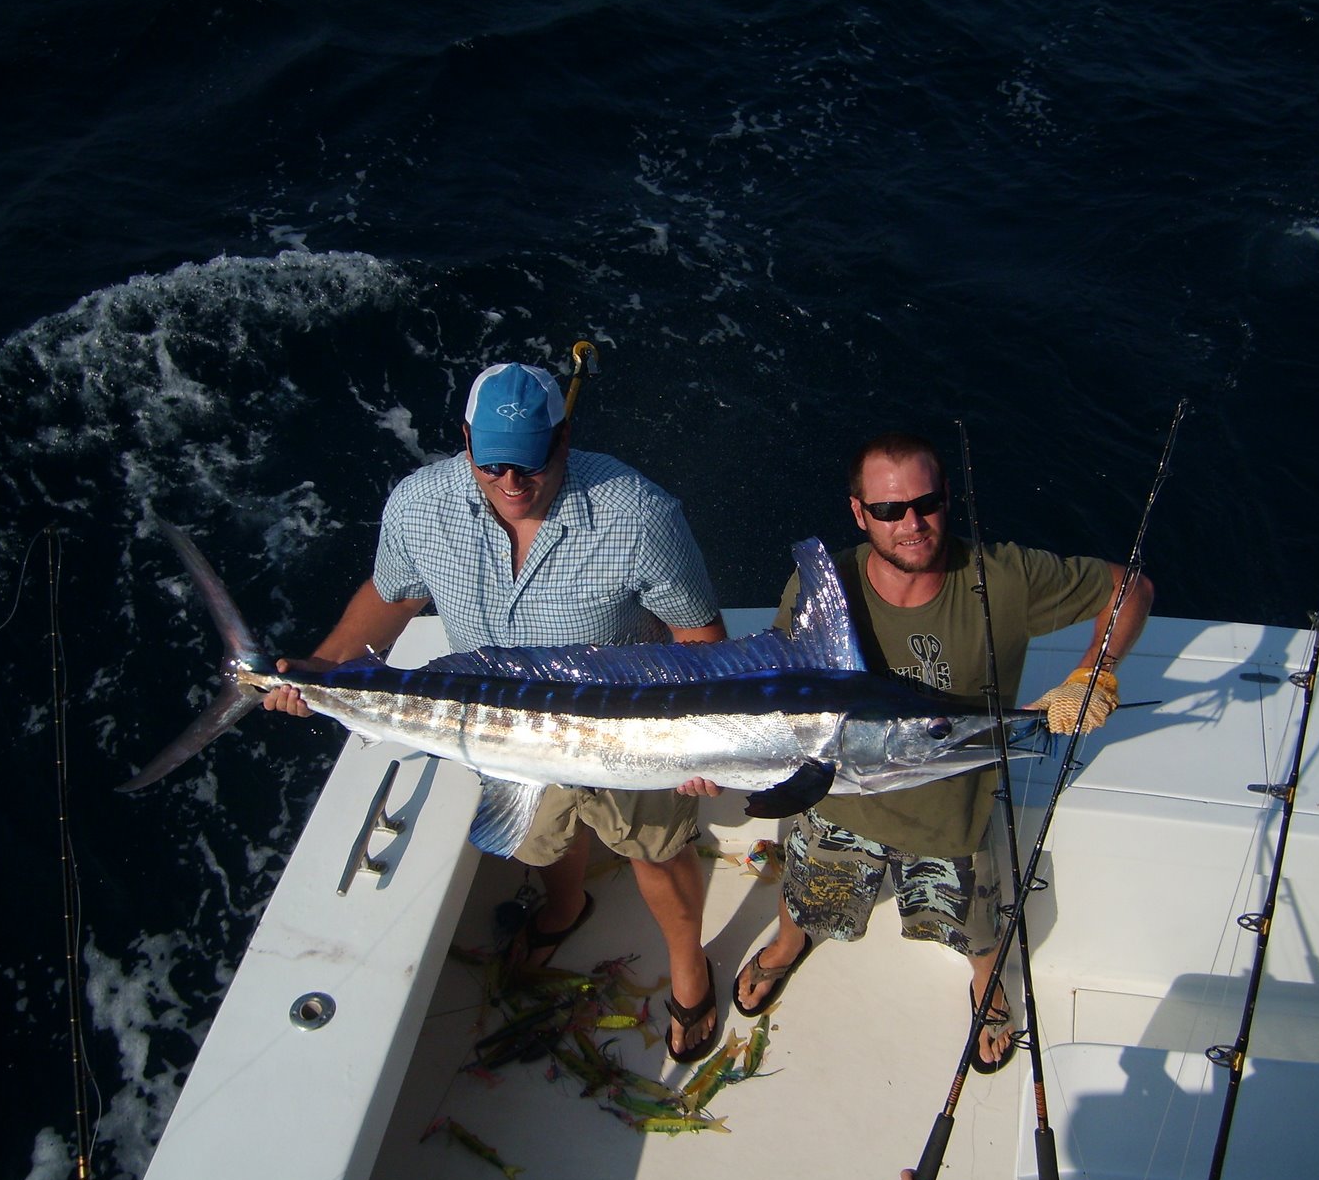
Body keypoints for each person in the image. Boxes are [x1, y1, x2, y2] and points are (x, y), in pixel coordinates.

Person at [263, 361, 727, 1062]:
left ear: (564, 438)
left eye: (532, 464)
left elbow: (699, 638)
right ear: (466, 441)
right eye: (494, 466)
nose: (513, 485)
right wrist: (322, 672)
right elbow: (391, 597)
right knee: (542, 840)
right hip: (504, 737)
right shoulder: (419, 505)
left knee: (657, 854)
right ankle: (567, 908)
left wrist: (703, 745)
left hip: (629, 731)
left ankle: (689, 966)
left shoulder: (640, 514)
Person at [731, 431, 1154, 1077]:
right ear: (858, 512)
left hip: (953, 815)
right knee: (804, 897)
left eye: (926, 503)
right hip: (837, 804)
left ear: (946, 496)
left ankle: (987, 982)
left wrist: (1095, 672)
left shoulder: (1002, 581)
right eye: (889, 510)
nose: (912, 524)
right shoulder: (825, 588)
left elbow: (1131, 588)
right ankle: (790, 942)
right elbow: (776, 692)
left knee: (979, 931)